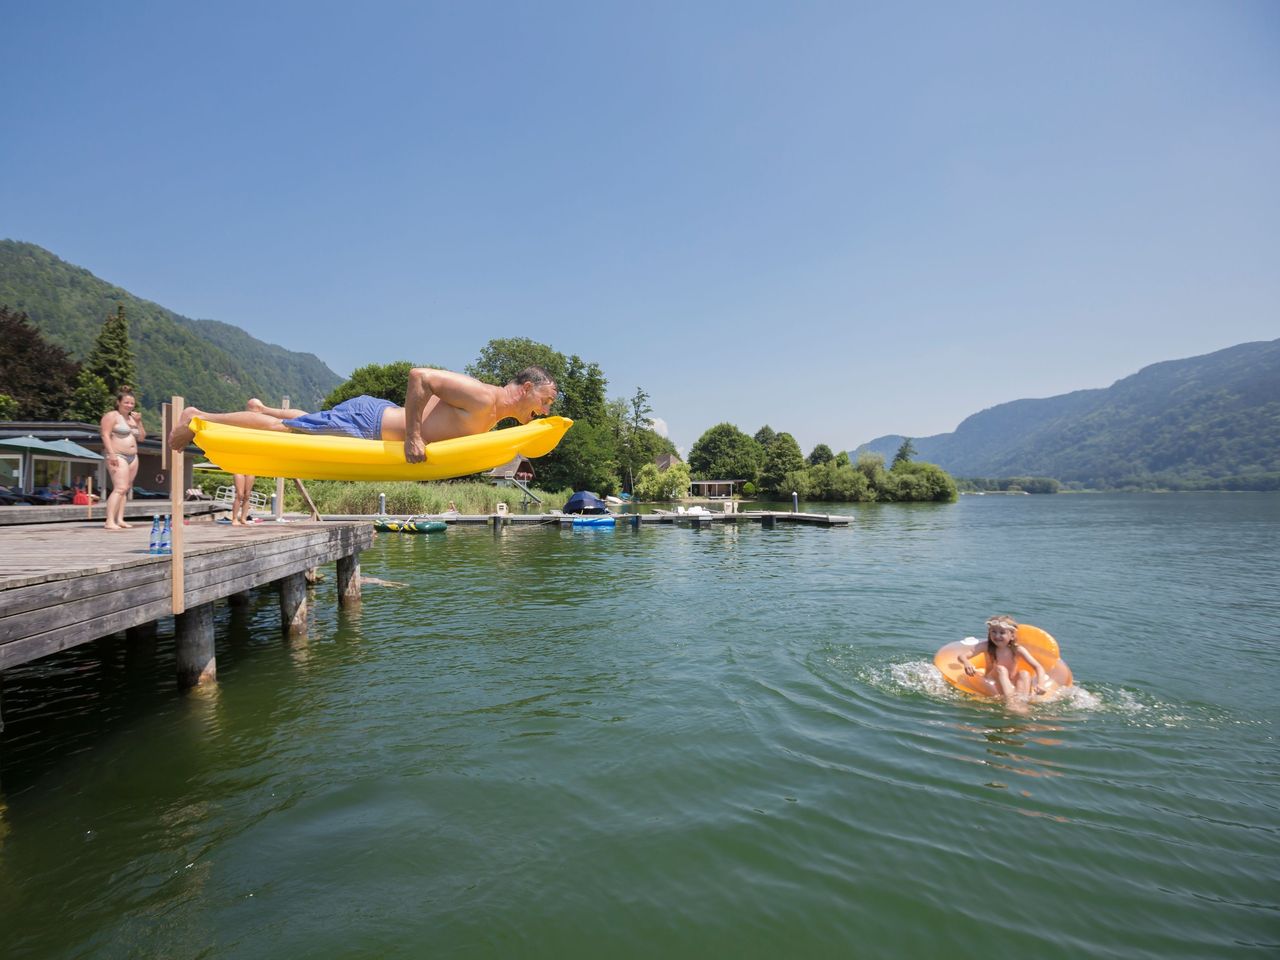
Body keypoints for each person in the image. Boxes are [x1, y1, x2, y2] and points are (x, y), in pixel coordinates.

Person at [168, 366, 560, 464]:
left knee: (308, 421)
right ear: (526, 388)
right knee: (284, 431)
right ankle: (200, 417)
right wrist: (413, 436)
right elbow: (419, 376)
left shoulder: (493, 417)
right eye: (545, 401)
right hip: (369, 426)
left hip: (371, 419)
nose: (545, 410)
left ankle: (259, 406)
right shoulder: (482, 397)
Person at [956, 615, 1049, 703]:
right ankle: (1011, 702)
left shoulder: (1017, 649)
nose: (997, 636)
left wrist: (1041, 684)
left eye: (1002, 633)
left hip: (1010, 681)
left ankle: (1022, 703)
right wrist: (966, 662)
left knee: (1024, 673)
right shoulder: (986, 646)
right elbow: (962, 656)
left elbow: (1038, 667)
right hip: (992, 680)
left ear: (1012, 636)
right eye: (993, 631)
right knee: (1001, 669)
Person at [100, 387, 146, 530]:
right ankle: (109, 521)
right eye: (126, 402)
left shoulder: (133, 418)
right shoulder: (112, 416)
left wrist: (138, 422)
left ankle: (119, 519)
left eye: (132, 403)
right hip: (118, 454)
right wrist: (111, 453)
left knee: (126, 488)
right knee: (119, 488)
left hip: (133, 456)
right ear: (118, 402)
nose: (129, 405)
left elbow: (142, 437)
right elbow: (105, 435)